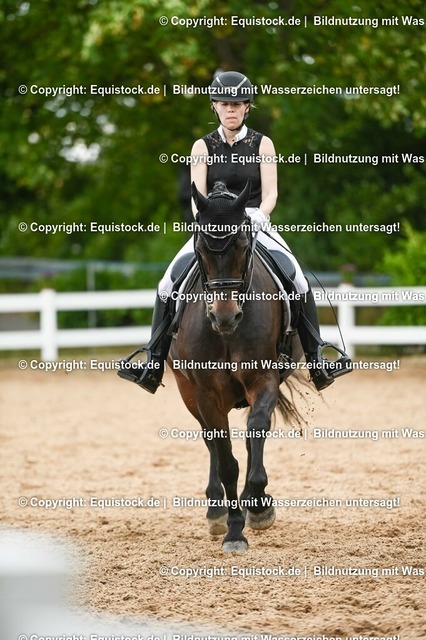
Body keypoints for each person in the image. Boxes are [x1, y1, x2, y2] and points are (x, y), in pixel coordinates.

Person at [118, 71, 352, 393]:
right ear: (214, 106)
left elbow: (271, 193)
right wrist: (207, 221)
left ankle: (317, 361)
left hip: (253, 222)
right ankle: (153, 364)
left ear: (247, 107)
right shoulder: (202, 146)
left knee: (298, 279)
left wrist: (259, 216)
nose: (231, 109)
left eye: (238, 104)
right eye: (225, 104)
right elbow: (196, 196)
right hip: (212, 226)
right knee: (167, 284)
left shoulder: (262, 143)